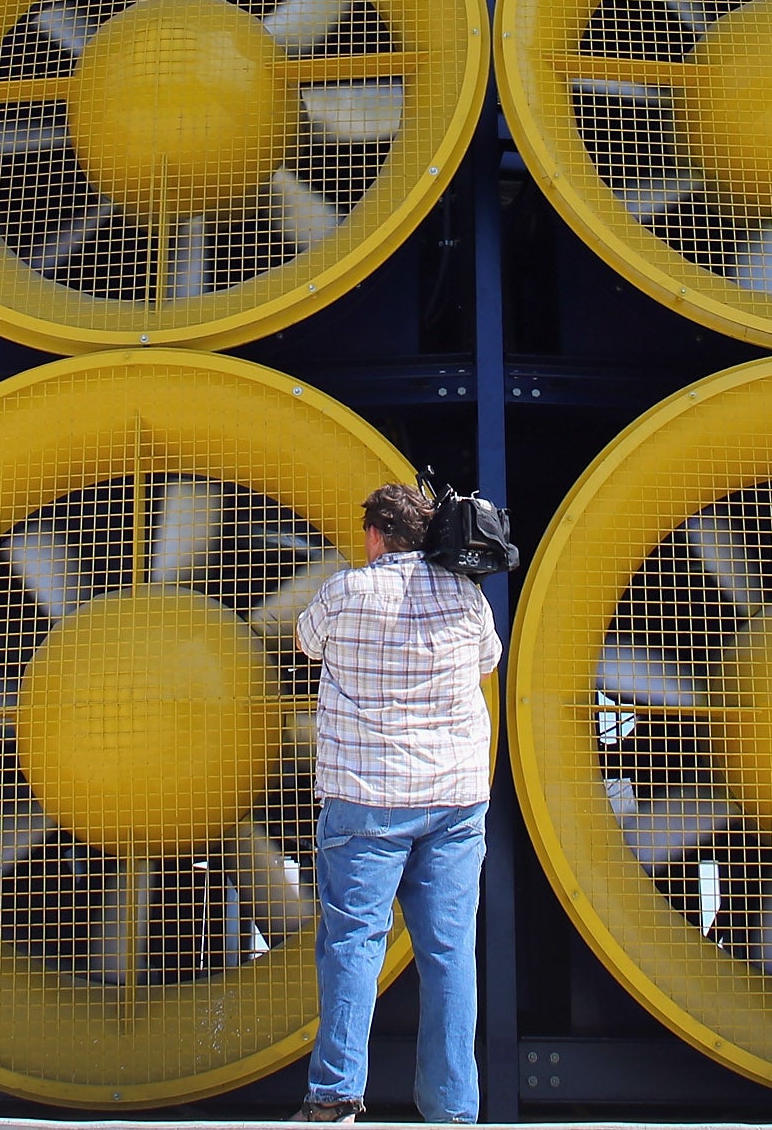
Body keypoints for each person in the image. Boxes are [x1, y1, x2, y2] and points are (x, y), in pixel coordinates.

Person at [291, 481, 502, 1124]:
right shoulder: (467, 598)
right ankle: (452, 1109)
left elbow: (304, 641)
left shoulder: (345, 592)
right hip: (454, 800)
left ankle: (336, 1099)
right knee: (448, 953)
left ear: (376, 535)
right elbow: (488, 662)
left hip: (367, 798)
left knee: (355, 943)